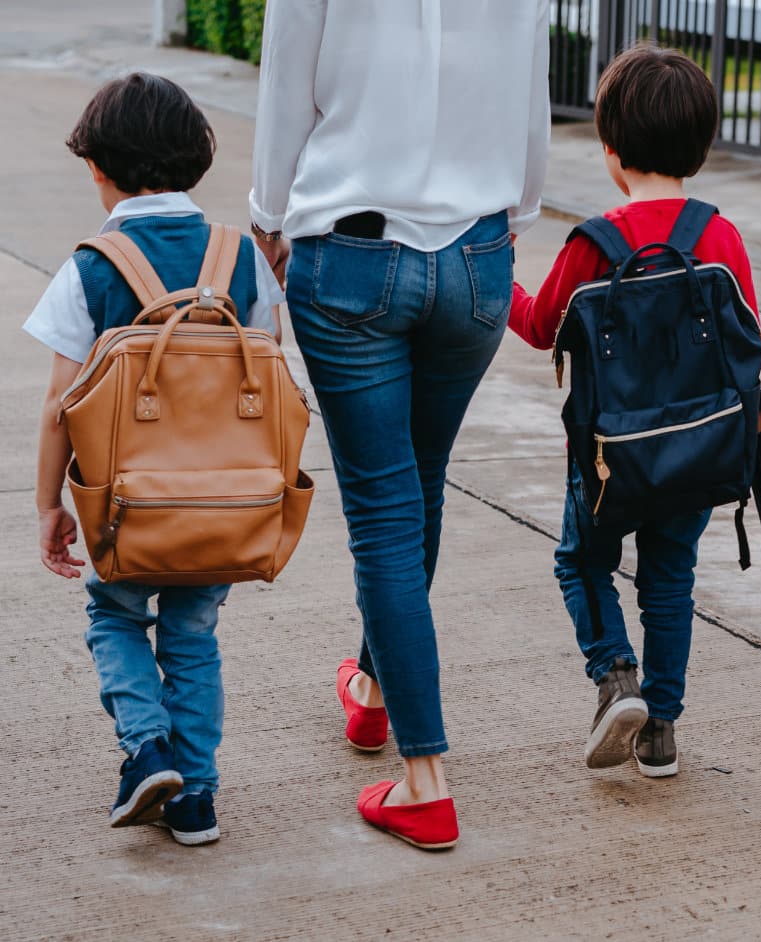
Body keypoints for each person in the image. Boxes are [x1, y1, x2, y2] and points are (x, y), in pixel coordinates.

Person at [249, 1, 550, 850]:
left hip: (351, 254)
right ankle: (375, 694)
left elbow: (286, 93)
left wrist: (269, 216)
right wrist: (510, 222)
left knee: (385, 511)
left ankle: (425, 778)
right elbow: (532, 114)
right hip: (479, 255)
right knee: (420, 483)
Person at [25, 73, 284, 844]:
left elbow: (57, 409)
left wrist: (50, 505)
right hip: (224, 505)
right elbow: (271, 373)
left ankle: (145, 748)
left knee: (113, 618)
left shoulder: (92, 265)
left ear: (99, 169)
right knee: (194, 637)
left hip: (127, 506)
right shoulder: (243, 260)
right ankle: (197, 798)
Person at [508, 45, 759, 779]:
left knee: (581, 560)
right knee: (670, 579)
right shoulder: (719, 236)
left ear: (611, 150)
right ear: (702, 146)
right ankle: (662, 733)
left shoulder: (595, 244)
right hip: (696, 453)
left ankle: (616, 676)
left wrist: (504, 286)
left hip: (605, 458)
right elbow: (748, 334)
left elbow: (542, 326)